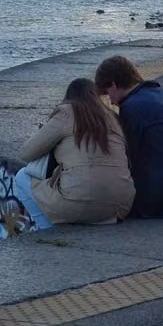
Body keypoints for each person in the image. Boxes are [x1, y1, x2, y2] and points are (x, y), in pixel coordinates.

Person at [15, 78, 135, 229]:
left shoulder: (66, 113)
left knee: (21, 176)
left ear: (69, 97)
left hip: (78, 203)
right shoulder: (113, 118)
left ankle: (46, 229)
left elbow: (26, 153)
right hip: (120, 204)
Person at [94, 56, 163, 218]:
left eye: (106, 93)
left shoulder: (131, 107)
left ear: (114, 85)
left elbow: (129, 156)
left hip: (161, 199)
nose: (109, 100)